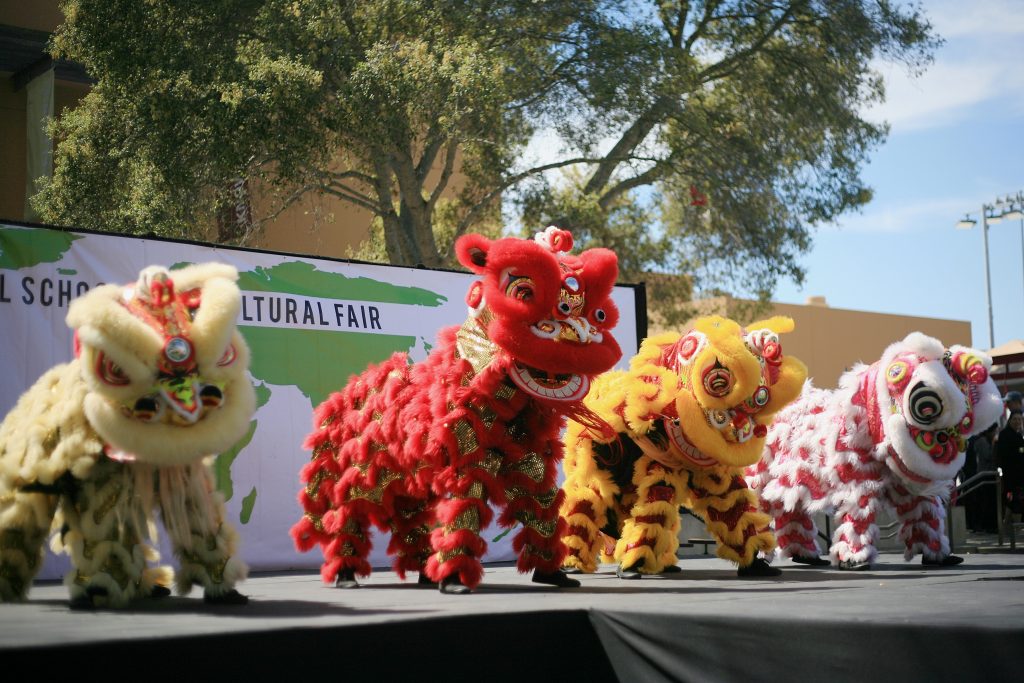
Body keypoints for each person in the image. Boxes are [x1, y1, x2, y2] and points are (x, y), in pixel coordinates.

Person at [962, 423, 998, 532]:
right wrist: (994, 444)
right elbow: (988, 456)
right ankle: (980, 525)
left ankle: (982, 524)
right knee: (982, 501)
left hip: (985, 474)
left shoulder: (980, 440)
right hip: (983, 475)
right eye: (995, 431)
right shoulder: (981, 441)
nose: (996, 433)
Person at [996, 411, 1024, 525]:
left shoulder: (1018, 435)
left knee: (1014, 501)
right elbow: (1005, 455)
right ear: (1010, 420)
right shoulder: (1005, 434)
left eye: (1019, 419)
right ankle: (1011, 528)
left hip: (1019, 475)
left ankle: (1008, 526)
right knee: (1013, 500)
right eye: (1015, 419)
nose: (1017, 421)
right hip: (1011, 475)